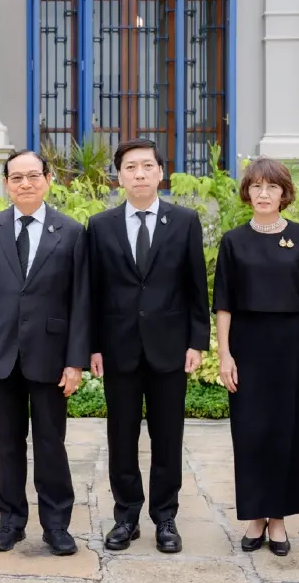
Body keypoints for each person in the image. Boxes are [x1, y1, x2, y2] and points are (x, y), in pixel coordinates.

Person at [0, 149, 90, 556]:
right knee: (7, 445)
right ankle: (10, 521)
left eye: (33, 176)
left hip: (50, 355)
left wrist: (75, 361)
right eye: (17, 178)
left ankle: (56, 525)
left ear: (49, 179)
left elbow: (81, 300)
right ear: (6, 184)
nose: (25, 184)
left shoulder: (71, 231)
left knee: (51, 443)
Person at [87, 139, 210, 554]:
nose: (138, 174)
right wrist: (93, 346)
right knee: (121, 436)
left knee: (167, 436)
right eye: (130, 167)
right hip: (118, 348)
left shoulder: (185, 221)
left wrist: (197, 342)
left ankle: (165, 517)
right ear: (118, 176)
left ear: (161, 172)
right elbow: (93, 292)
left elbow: (196, 288)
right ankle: (125, 516)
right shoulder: (100, 225)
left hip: (170, 348)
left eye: (146, 166)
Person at [212, 157, 299, 557]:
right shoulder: (234, 240)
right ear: (247, 192)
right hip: (247, 346)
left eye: (272, 187)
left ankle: (277, 518)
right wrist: (224, 354)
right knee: (250, 433)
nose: (264, 194)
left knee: (289, 433)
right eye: (257, 186)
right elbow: (223, 303)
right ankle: (254, 515)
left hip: (293, 346)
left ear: (284, 193)